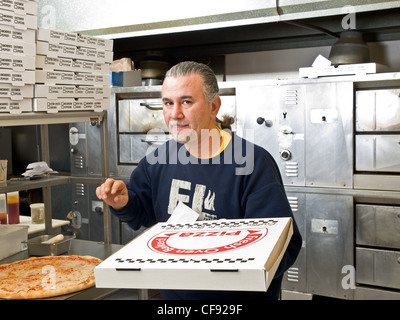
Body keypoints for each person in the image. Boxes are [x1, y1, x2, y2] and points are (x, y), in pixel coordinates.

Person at [96, 61, 302, 300]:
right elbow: (141, 211)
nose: (175, 114)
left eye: (186, 101)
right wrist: (123, 202)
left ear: (214, 106)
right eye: (167, 103)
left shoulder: (253, 165)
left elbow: (283, 246)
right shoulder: (158, 161)